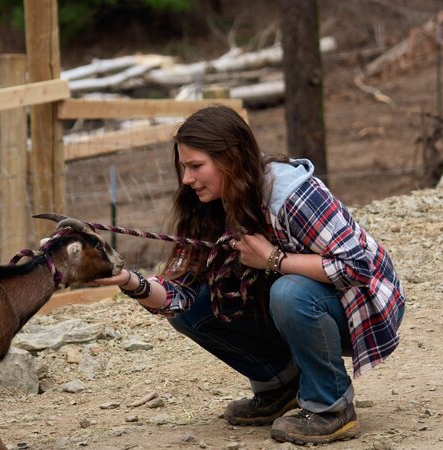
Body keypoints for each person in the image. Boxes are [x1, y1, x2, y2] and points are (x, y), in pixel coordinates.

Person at [95, 105, 405, 445]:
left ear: (230, 159)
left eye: (196, 166)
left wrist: (274, 259)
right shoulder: (207, 203)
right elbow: (178, 294)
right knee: (191, 311)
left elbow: (356, 267)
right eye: (184, 167)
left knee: (289, 291)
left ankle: (331, 407)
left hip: (361, 307)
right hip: (303, 303)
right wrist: (128, 280)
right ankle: (280, 386)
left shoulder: (291, 193)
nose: (186, 178)